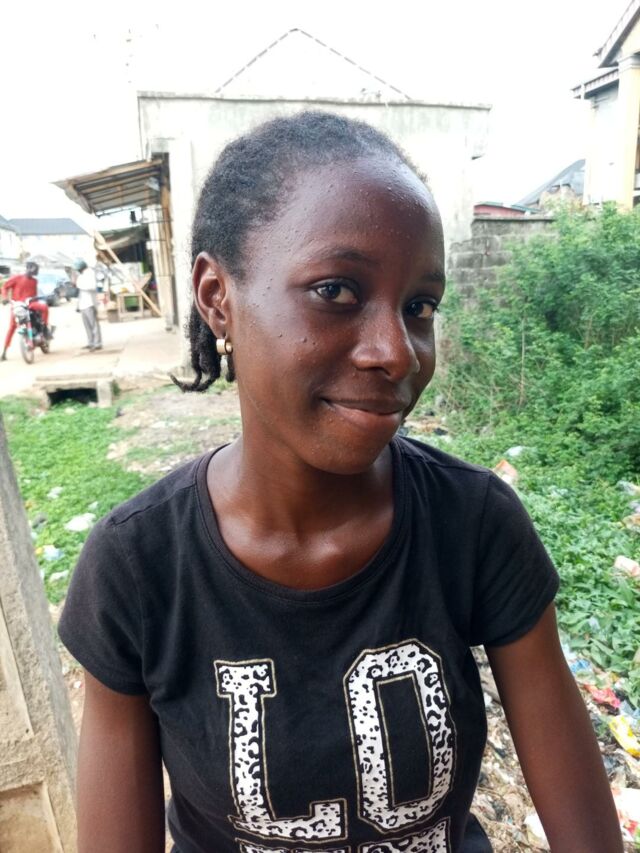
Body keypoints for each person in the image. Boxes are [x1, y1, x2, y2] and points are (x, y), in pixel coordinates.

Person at [59, 113, 623, 853]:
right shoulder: (139, 565)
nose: (397, 351)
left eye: (419, 306)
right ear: (217, 296)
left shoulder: (472, 522)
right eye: (335, 290)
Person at [1, 261, 50, 360]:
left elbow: (34, 295)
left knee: (44, 308)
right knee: (12, 327)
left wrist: (38, 298)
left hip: (30, 304)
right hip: (18, 306)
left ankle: (44, 327)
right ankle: (4, 352)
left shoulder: (34, 281)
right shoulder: (17, 278)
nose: (36, 271)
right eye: (35, 269)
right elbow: (5, 287)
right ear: (29, 268)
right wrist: (5, 297)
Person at [74, 258, 102, 351]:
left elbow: (92, 286)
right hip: (83, 304)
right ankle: (90, 342)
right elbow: (79, 288)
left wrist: (80, 285)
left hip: (90, 303)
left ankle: (97, 343)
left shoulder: (90, 273)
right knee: (87, 325)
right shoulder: (81, 275)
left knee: (93, 324)